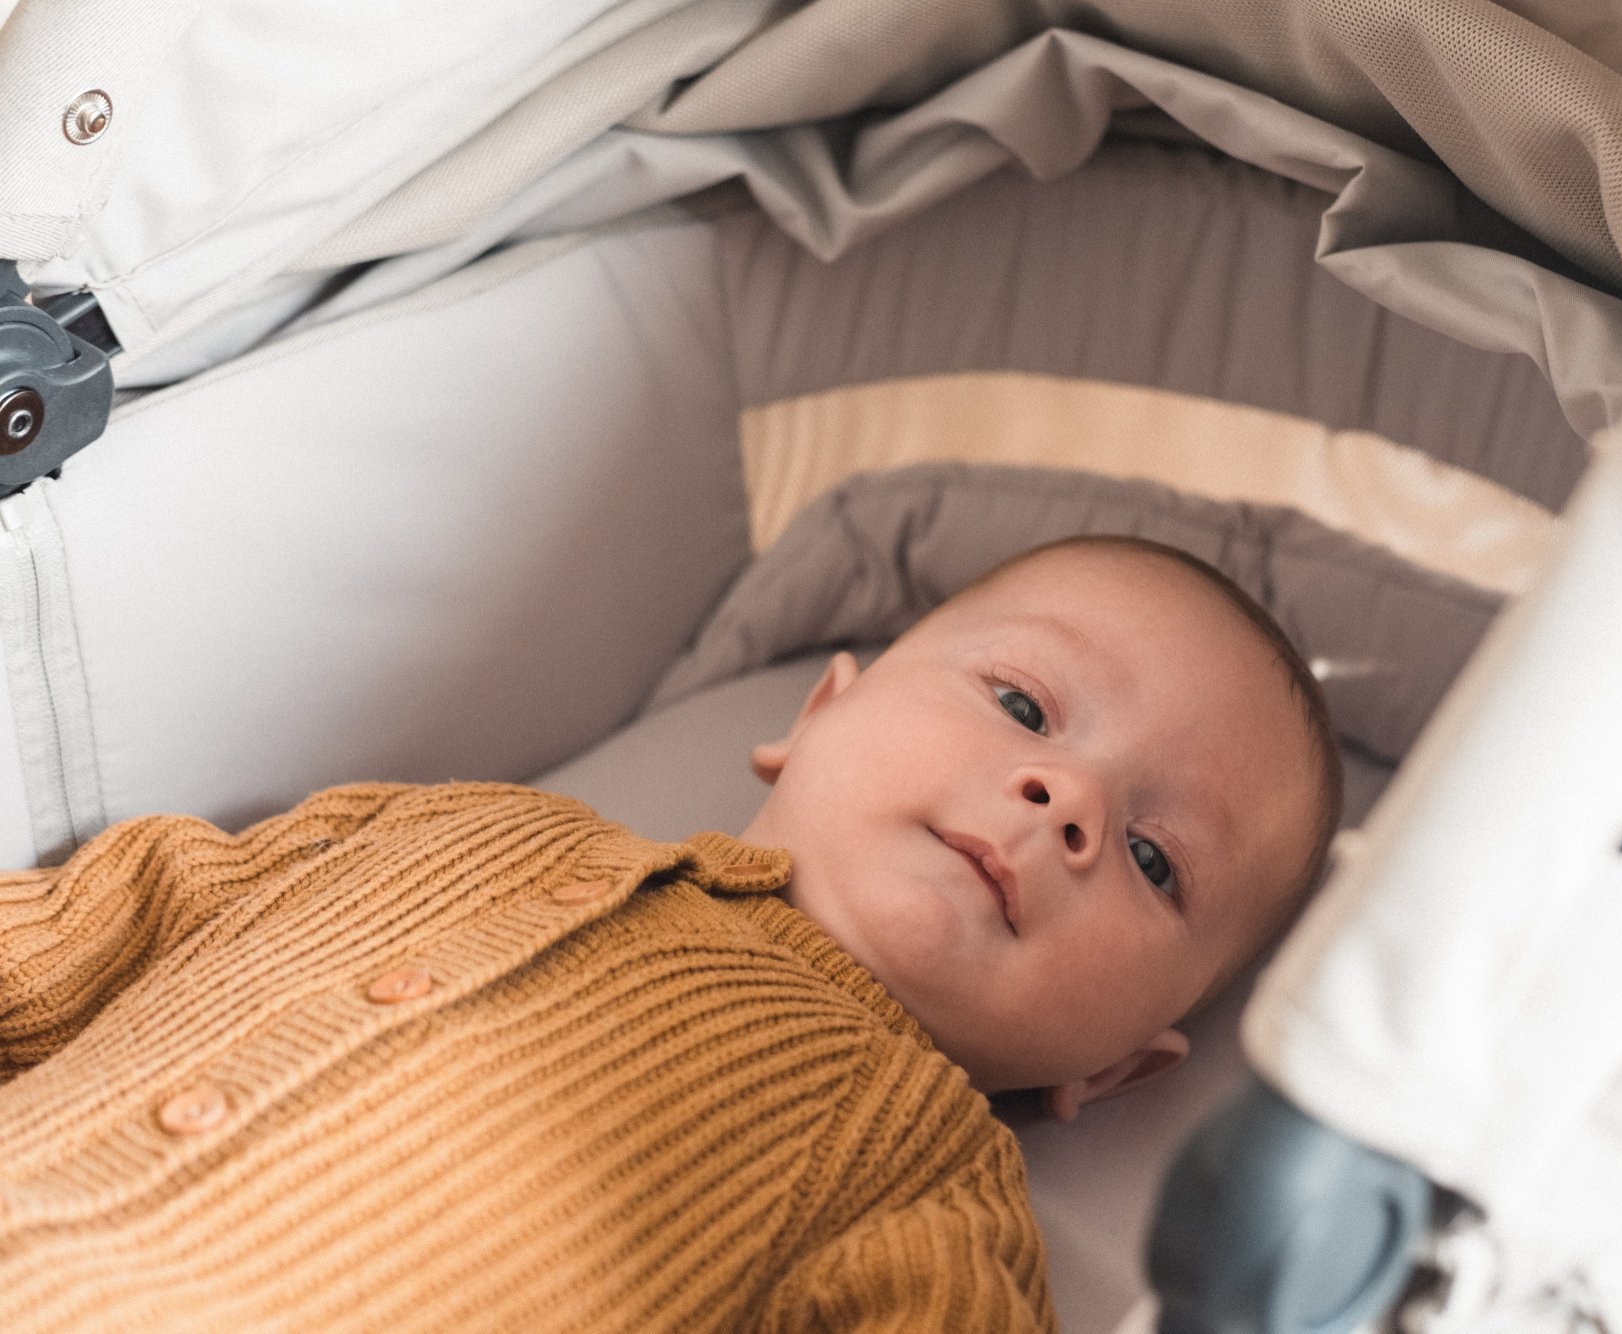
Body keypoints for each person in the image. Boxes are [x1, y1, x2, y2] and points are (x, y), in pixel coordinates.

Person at [0, 535, 1340, 1333]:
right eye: (1024, 706)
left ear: (1119, 1068)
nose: (1069, 800)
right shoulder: (465, 825)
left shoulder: (916, 1170)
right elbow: (94, 923)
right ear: (818, 712)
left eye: (1156, 860)